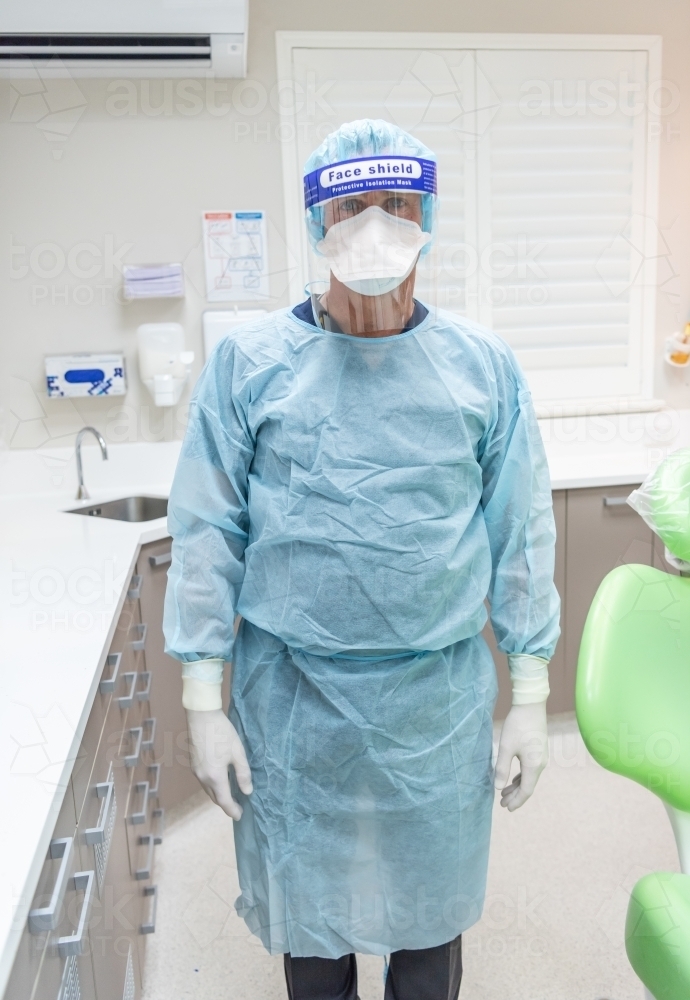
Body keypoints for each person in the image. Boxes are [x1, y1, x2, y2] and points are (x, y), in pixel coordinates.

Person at [163, 119, 560, 1000]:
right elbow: (205, 536)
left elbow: (522, 535)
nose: (374, 225)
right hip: (294, 697)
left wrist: (531, 699)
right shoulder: (249, 368)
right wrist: (202, 701)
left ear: (428, 215)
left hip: (437, 701)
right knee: (314, 922)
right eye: (352, 205)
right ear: (317, 221)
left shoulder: (481, 369)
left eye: (397, 203)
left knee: (429, 923)